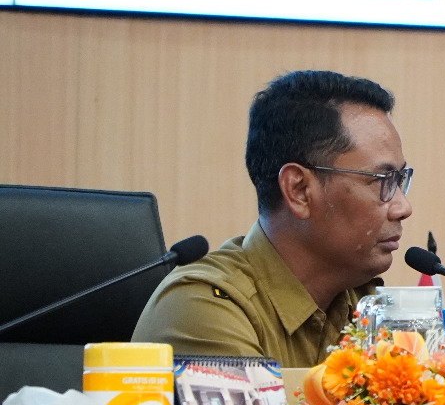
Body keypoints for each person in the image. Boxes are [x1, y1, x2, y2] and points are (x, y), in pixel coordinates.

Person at [134, 70, 413, 365]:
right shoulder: (203, 307)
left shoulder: (367, 307)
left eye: (400, 179)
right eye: (382, 180)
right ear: (299, 190)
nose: (403, 207)